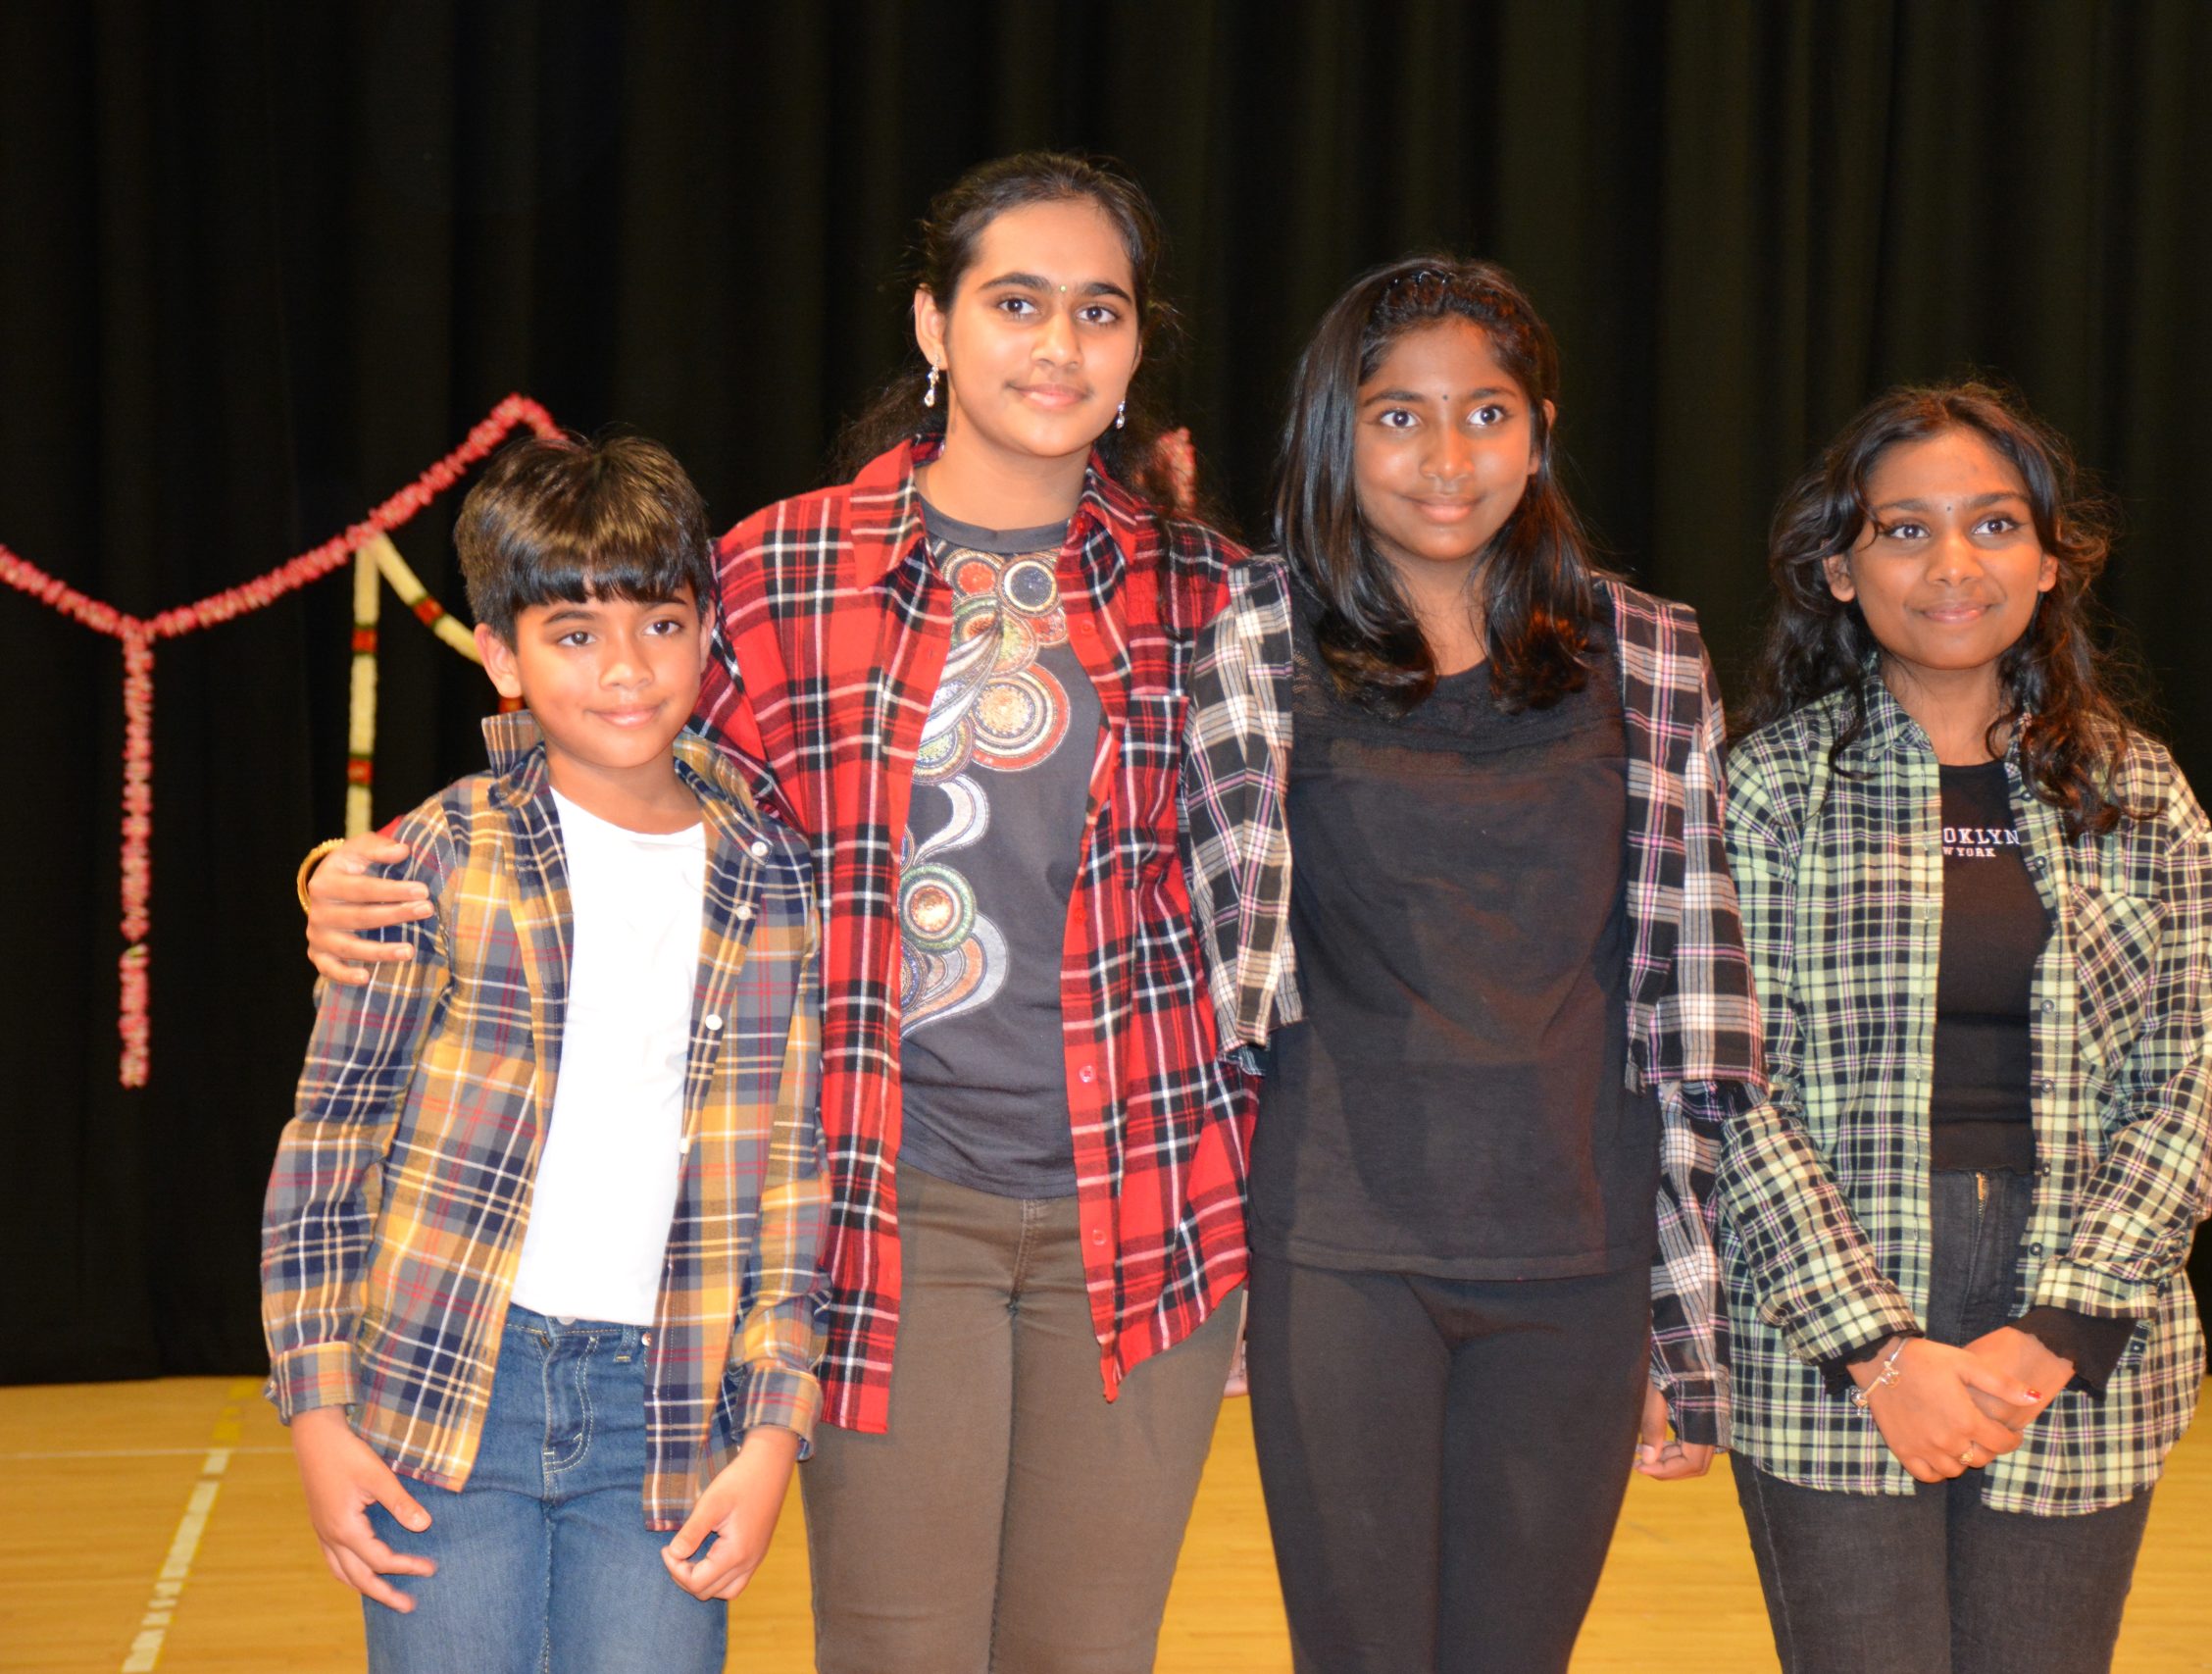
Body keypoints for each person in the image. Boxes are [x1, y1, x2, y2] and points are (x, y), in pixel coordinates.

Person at [301, 153, 1247, 1674]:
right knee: (898, 1650)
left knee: (1089, 1650)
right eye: (1016, 303)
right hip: (885, 1204)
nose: (1059, 344)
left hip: (1147, 1209)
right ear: (935, 323)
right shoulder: (786, 565)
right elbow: (622, 763)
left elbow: (1288, 895)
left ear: (1140, 342)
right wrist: (365, 872)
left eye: (1099, 309)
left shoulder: (1212, 596)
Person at [1181, 256, 1763, 1673]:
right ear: (1339, 431)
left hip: (1577, 1254)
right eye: (1399, 415)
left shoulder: (1652, 653)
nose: (1447, 458)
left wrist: (1679, 1323)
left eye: (1486, 413)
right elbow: (1207, 962)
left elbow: (1693, 998)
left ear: (1539, 429)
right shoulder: (1253, 638)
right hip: (1339, 1250)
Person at [262, 433, 827, 1674]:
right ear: (502, 656)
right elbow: (330, 1141)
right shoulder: (435, 858)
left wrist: (773, 1430)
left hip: (663, 1412)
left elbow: (792, 1176)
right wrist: (315, 1407)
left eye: (661, 624)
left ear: (706, 631)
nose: (625, 667)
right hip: (443, 1388)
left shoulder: (774, 874)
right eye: (574, 633)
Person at [1715, 381, 2212, 1674]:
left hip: (2078, 1319)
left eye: (1994, 524)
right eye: (1905, 530)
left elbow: (2186, 1079)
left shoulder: (2139, 792)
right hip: (1829, 1325)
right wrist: (1876, 1348)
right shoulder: (1765, 791)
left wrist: (2060, 1331)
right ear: (1841, 571)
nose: (1954, 564)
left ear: (2051, 560)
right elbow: (1728, 1086)